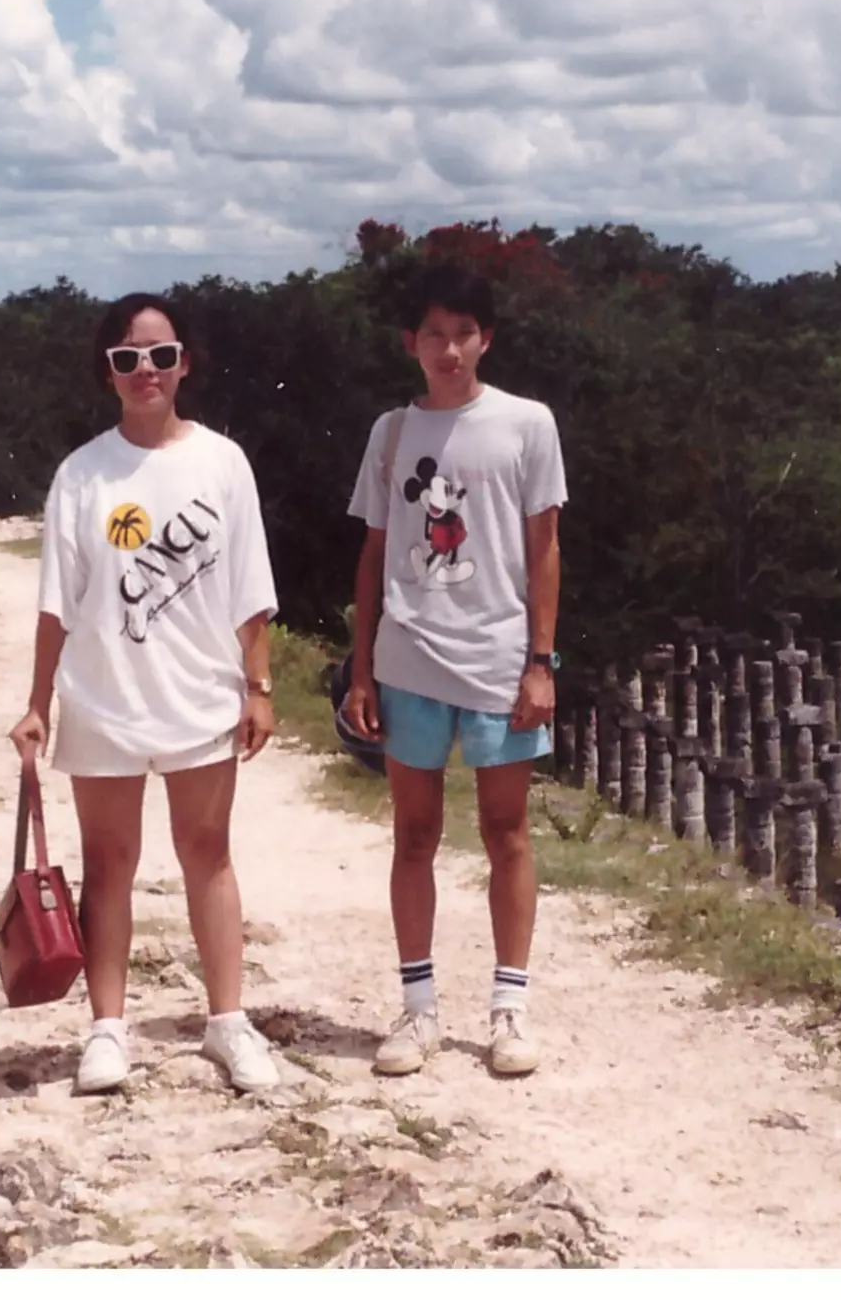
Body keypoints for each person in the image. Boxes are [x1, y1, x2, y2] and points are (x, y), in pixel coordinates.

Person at [8, 292, 282, 1096]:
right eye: (127, 358)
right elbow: (57, 603)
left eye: (160, 356)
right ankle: (107, 1029)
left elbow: (250, 590)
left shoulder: (223, 463)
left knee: (208, 853)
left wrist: (258, 686)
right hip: (104, 698)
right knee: (109, 864)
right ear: (108, 371)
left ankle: (227, 1022)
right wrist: (38, 703)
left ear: (184, 363)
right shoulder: (81, 473)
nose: (145, 371)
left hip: (201, 694)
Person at [341, 262, 567, 1078]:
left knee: (506, 833)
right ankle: (418, 1007)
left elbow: (544, 550)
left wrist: (540, 662)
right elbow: (373, 554)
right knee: (414, 835)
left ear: (486, 339)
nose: (448, 349)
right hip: (409, 659)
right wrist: (360, 670)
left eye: (463, 333)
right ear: (411, 342)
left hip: (500, 661)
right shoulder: (391, 432)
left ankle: (509, 1009)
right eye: (433, 334)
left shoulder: (526, 424)